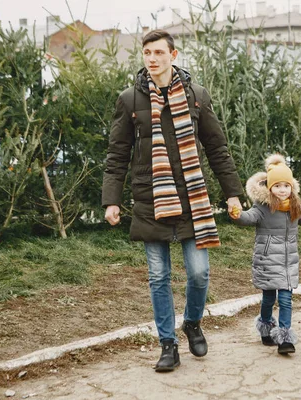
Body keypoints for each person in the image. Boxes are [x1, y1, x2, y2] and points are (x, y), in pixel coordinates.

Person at [102, 29, 243, 372]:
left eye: (158, 53)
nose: (152, 59)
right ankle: (168, 344)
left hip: (193, 198)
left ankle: (192, 322)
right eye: (147, 53)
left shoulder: (196, 95)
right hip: (151, 199)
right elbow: (117, 153)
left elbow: (217, 147)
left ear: (173, 55)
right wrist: (112, 200)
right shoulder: (130, 99)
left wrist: (232, 193)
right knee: (158, 276)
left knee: (198, 273)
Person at [230, 154, 301, 355]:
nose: (282, 189)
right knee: (268, 299)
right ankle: (266, 326)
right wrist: (237, 214)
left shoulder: (294, 205)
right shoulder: (263, 207)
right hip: (268, 260)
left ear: (291, 187)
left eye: (286, 185)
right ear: (269, 187)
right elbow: (248, 218)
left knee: (285, 299)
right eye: (277, 186)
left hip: (288, 262)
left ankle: (284, 337)